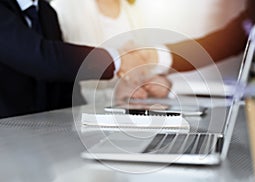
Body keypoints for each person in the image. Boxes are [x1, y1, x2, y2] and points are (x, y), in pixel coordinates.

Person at [0, 0, 149, 118]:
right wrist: (117, 60)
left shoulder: (47, 12)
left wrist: (97, 118)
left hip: (41, 136)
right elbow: (42, 58)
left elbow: (63, 85)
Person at [51, 0, 171, 102]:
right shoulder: (62, 8)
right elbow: (61, 89)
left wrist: (159, 82)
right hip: (86, 118)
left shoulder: (133, 8)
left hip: (139, 111)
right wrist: (113, 95)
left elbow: (147, 64)